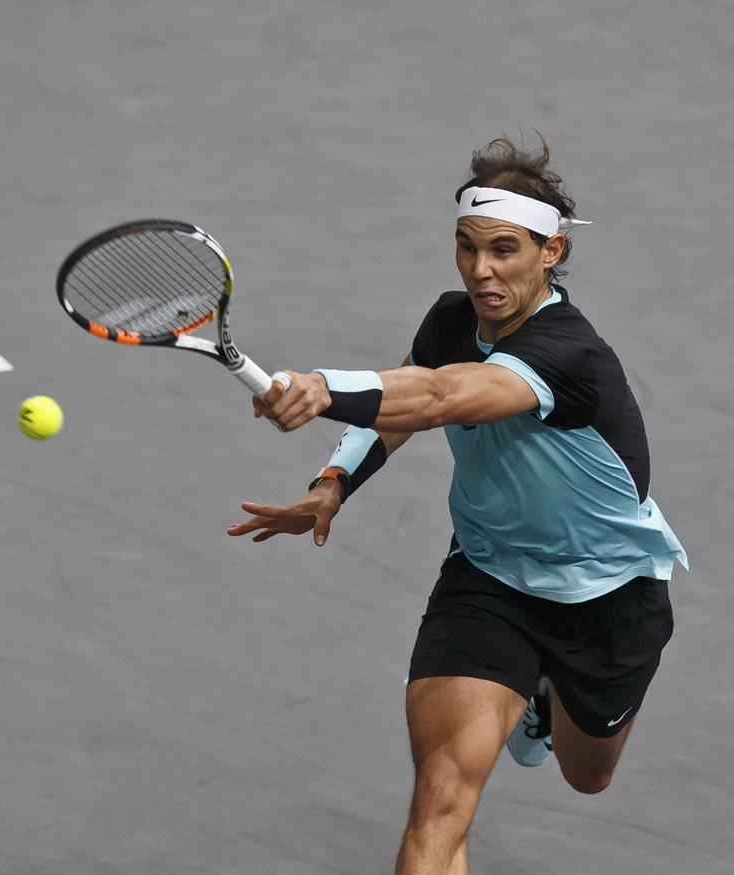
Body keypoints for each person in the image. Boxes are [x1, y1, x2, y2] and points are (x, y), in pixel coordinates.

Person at [227, 135, 688, 875]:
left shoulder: (570, 355)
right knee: (441, 791)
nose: (482, 270)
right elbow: (406, 400)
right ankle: (519, 678)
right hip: (490, 578)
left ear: (552, 251)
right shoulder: (452, 319)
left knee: (587, 771)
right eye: (467, 248)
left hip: (609, 595)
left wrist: (320, 383)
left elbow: (445, 396)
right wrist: (333, 482)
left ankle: (544, 694)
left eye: (505, 249)